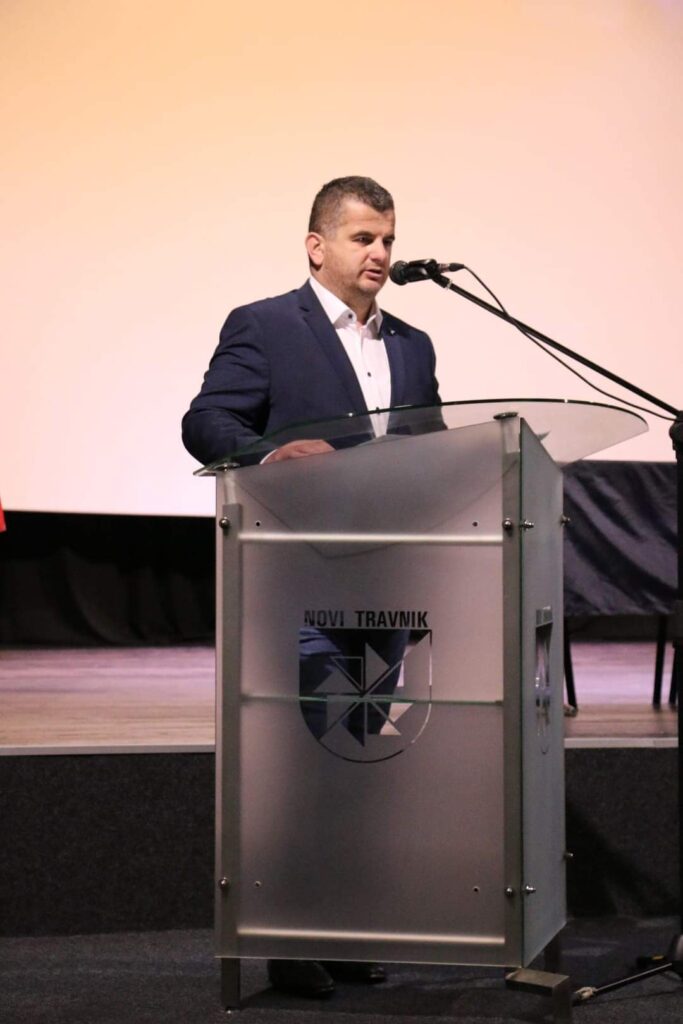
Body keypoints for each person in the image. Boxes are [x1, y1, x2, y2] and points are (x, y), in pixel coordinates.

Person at [183, 177, 440, 998]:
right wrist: (268, 455)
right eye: (364, 238)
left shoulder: (412, 344)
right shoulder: (264, 325)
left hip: (388, 573)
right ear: (316, 245)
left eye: (388, 239)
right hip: (296, 569)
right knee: (300, 761)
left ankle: (345, 924)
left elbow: (432, 445)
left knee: (360, 756)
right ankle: (290, 937)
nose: (381, 253)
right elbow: (206, 420)